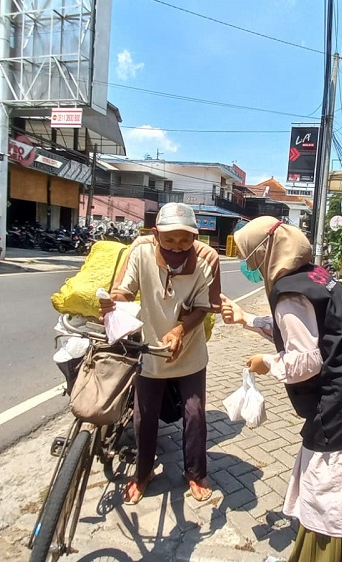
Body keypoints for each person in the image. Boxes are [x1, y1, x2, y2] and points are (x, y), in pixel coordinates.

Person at [222, 216, 342, 562]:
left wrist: (268, 363)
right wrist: (247, 319)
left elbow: (307, 360)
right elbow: (312, 331)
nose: (249, 268)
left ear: (267, 254)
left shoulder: (289, 295)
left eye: (250, 259)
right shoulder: (315, 276)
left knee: (333, 498)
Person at [100, 202, 221, 504]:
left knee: (194, 415)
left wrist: (180, 329)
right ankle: (142, 474)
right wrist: (112, 302)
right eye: (169, 239)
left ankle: (195, 473)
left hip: (190, 351)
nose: (177, 246)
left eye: (184, 239)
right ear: (156, 234)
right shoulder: (140, 254)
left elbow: (205, 307)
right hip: (151, 350)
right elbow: (124, 291)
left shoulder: (205, 261)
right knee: (145, 416)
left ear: (196, 236)